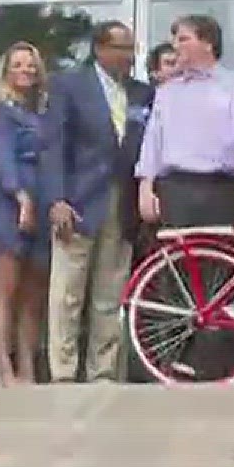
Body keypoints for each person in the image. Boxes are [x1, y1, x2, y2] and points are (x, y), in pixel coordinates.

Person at [134, 14, 234, 380]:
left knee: (221, 275)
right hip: (176, 187)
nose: (176, 47)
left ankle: (213, 361)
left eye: (183, 39)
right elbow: (153, 141)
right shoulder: (167, 91)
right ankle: (176, 357)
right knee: (177, 275)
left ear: (207, 43)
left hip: (221, 188)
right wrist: (145, 185)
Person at [42, 21, 147, 385]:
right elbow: (53, 144)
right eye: (123, 49)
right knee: (68, 293)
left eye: (132, 49)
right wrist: (56, 198)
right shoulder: (69, 85)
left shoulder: (140, 93)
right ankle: (63, 372)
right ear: (101, 49)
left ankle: (102, 372)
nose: (130, 57)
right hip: (78, 199)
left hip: (122, 202)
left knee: (110, 292)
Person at [0, 41, 53, 386]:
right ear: (6, 71)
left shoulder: (41, 114)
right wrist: (20, 197)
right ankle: (2, 363)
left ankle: (27, 363)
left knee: (33, 292)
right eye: (18, 64)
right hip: (12, 200)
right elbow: (2, 156)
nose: (25, 70)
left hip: (43, 198)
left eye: (31, 64)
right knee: (4, 288)